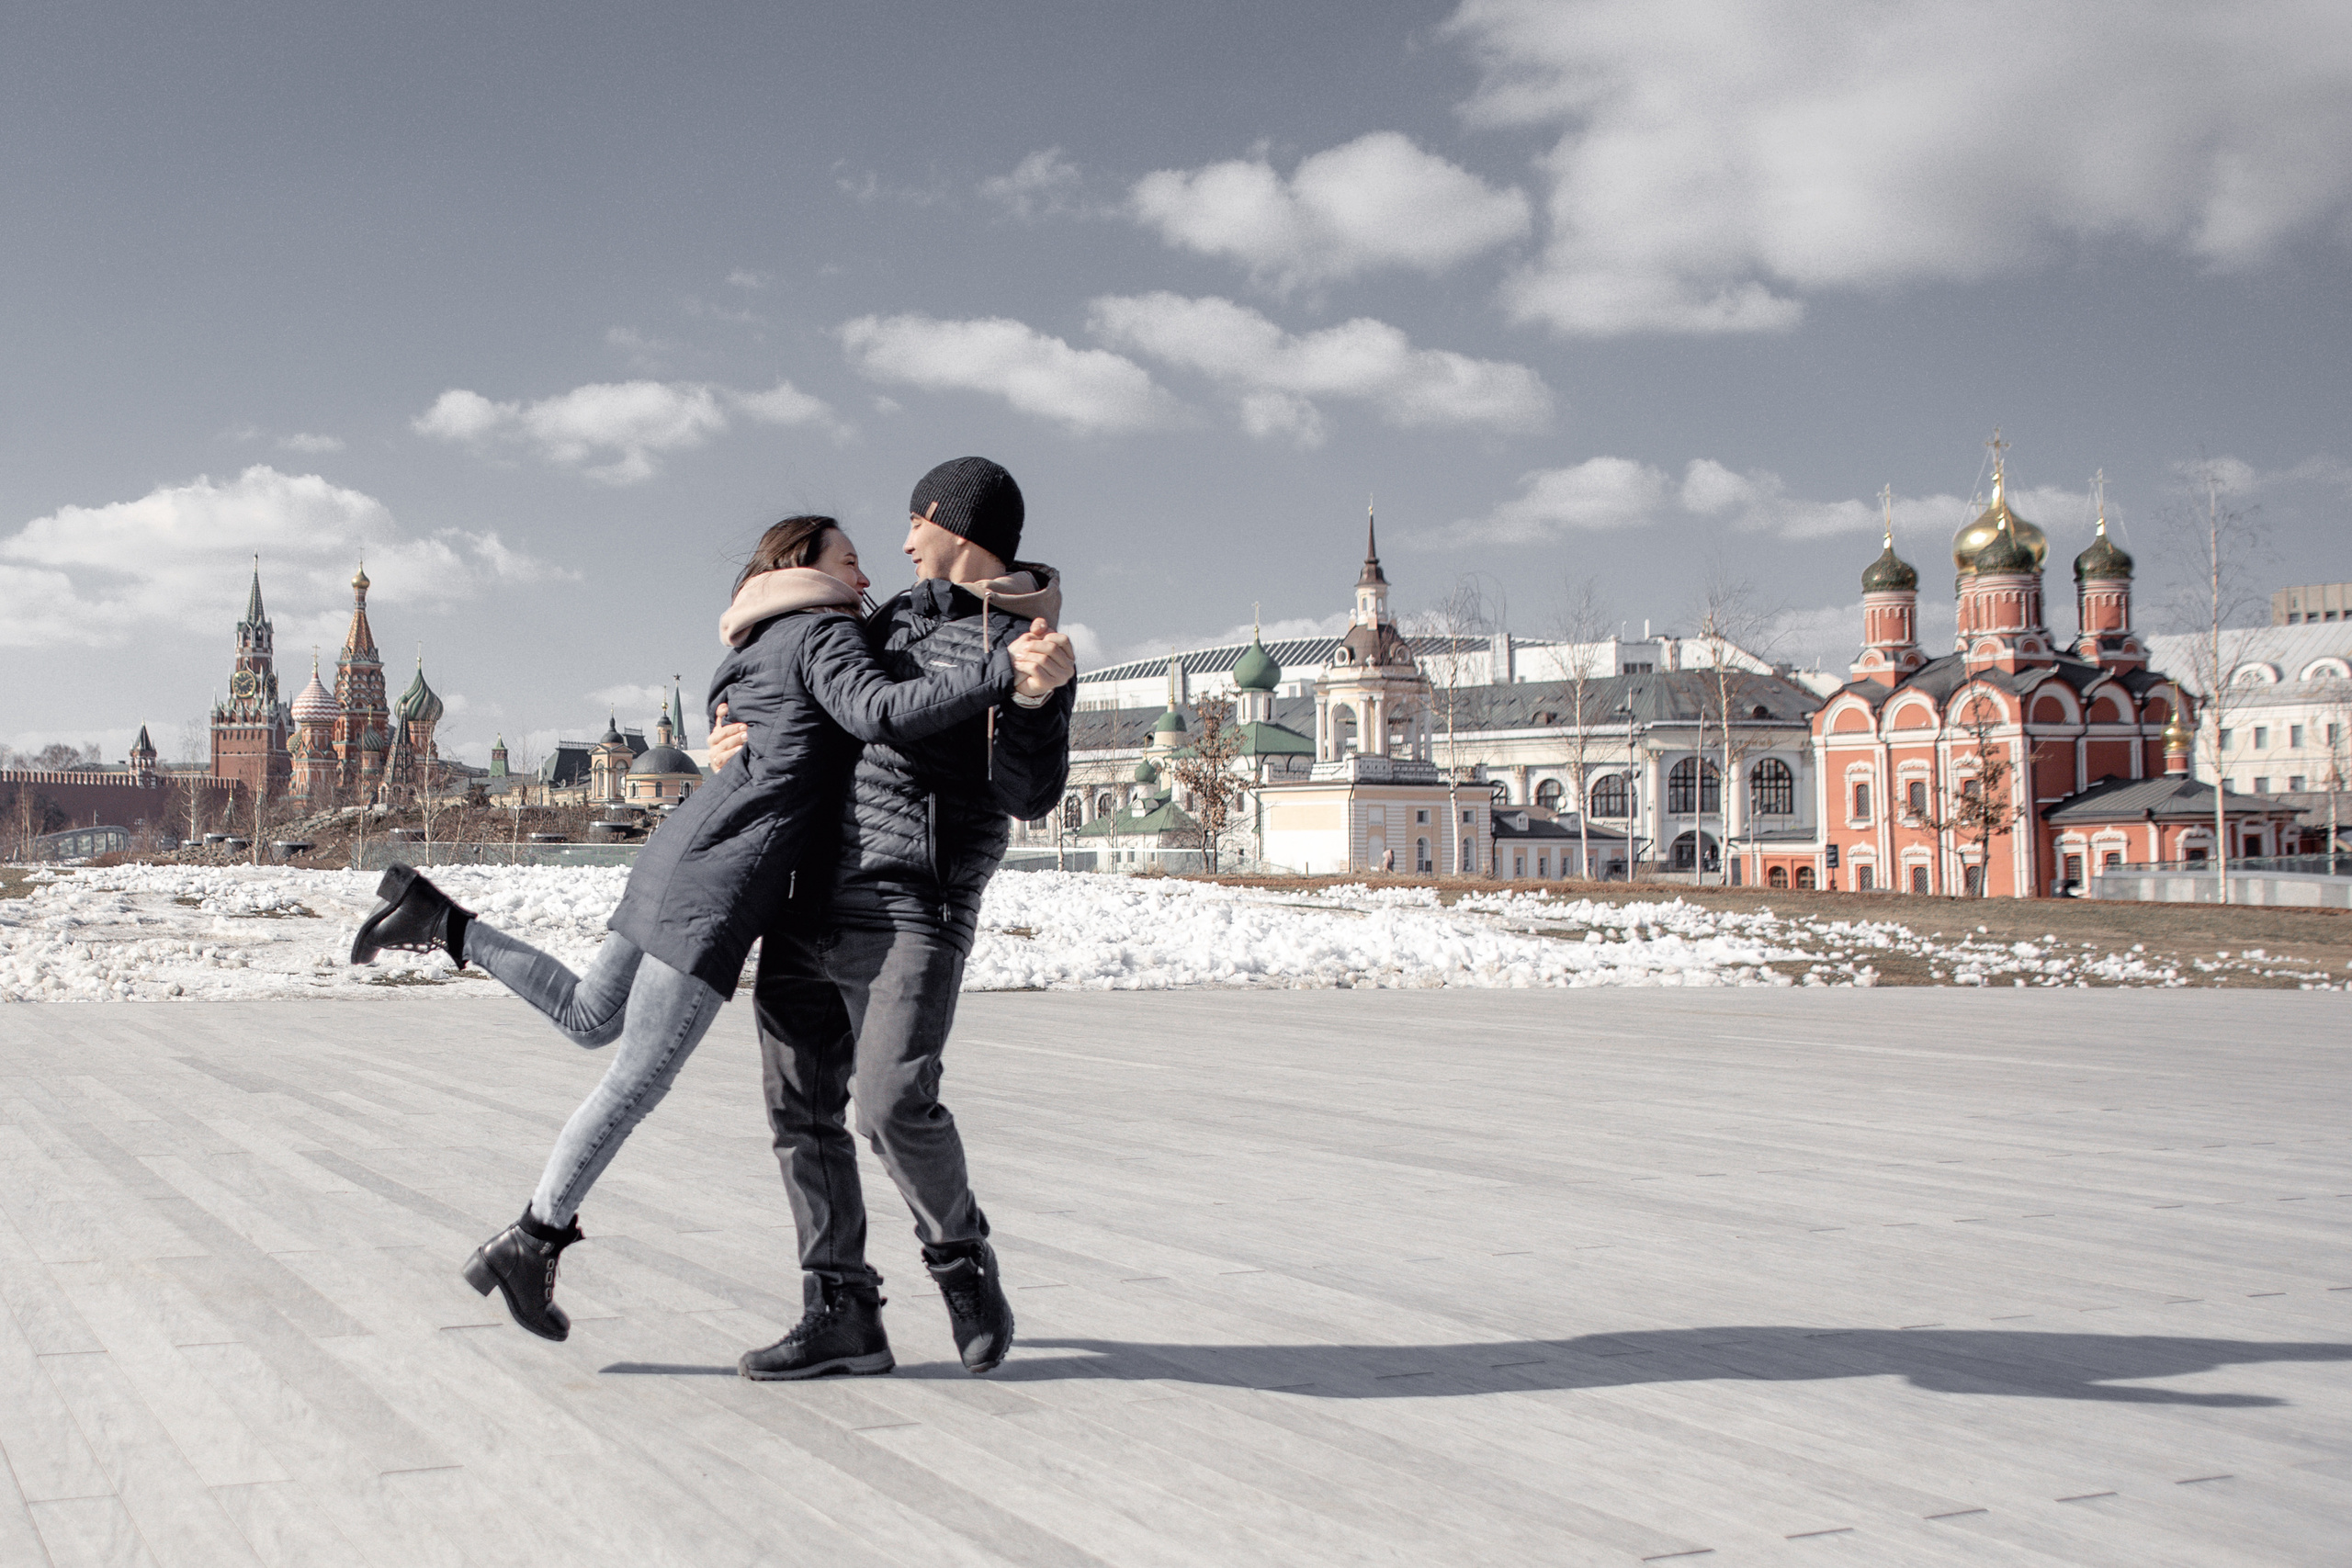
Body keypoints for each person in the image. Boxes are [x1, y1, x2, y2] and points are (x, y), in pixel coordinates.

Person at [347, 515, 1070, 1346]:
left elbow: (779, 730)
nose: (870, 574)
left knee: (589, 1015)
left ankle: (439, 919)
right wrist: (1002, 673)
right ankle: (533, 1237)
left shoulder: (758, 633)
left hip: (680, 848)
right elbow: (876, 710)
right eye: (850, 559)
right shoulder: (827, 631)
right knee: (635, 1078)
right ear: (807, 565)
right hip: (723, 880)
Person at [707, 457, 1076, 1382]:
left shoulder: (1029, 646)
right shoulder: (886, 621)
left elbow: (1029, 794)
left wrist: (1034, 700)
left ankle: (960, 1259)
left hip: (915, 901)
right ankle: (841, 1311)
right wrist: (733, 727)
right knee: (799, 1112)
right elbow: (807, 692)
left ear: (955, 523)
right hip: (810, 893)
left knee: (890, 1103)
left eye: (916, 521)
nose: (904, 541)